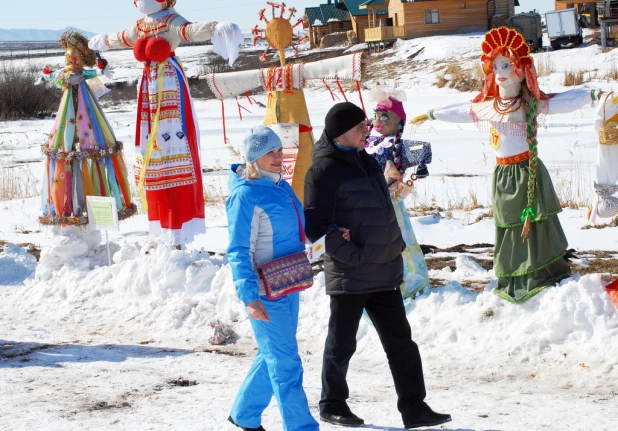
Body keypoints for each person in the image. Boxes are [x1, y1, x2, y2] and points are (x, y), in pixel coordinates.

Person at [411, 27, 598, 303]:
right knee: (508, 225)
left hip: (527, 170)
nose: (500, 71)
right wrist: (432, 113)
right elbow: (465, 111)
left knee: (532, 222)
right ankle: (514, 275)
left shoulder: (528, 103)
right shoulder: (490, 105)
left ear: (521, 69)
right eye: (496, 65)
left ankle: (539, 275)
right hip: (503, 175)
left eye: (507, 65)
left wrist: (592, 95)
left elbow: (559, 102)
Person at [303, 102, 451, 429]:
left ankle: (414, 407)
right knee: (342, 343)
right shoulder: (322, 171)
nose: (366, 131)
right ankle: (332, 403)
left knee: (402, 343)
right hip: (350, 272)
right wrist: (352, 254)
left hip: (383, 270)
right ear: (341, 131)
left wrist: (395, 246)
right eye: (360, 127)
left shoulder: (367, 161)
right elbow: (316, 227)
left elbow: (385, 209)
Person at [88, 0, 241, 246]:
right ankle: (160, 223)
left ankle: (179, 222)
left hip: (168, 82)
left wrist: (214, 28)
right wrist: (104, 40)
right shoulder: (140, 25)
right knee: (150, 138)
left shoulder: (170, 20)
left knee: (171, 137)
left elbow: (189, 31)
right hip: (147, 86)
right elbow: (123, 37)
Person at [226, 126, 319, 431]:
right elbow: (239, 251)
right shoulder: (246, 196)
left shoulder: (281, 186)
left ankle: (244, 414)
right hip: (265, 293)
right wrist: (249, 298)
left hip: (288, 285)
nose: (279, 157)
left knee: (274, 355)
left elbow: (294, 233)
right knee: (286, 363)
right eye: (270, 152)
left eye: (280, 151)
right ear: (254, 157)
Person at [38, 30, 135, 226]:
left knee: (87, 132)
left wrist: (100, 71)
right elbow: (56, 76)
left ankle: (95, 205)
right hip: (67, 108)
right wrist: (46, 75)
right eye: (68, 57)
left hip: (84, 104)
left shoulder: (80, 73)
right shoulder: (65, 73)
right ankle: (67, 205)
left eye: (74, 57)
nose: (71, 60)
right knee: (66, 138)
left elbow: (91, 73)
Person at [365, 88, 432, 300]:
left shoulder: (398, 146)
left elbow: (424, 149)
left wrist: (420, 166)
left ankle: (401, 277)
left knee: (396, 240)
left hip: (390, 203)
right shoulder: (368, 143)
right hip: (368, 203)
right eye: (376, 115)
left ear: (399, 122)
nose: (379, 121)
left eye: (385, 117)